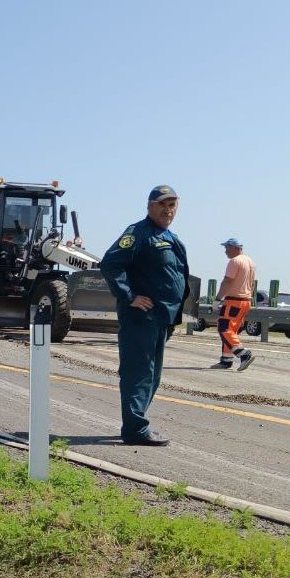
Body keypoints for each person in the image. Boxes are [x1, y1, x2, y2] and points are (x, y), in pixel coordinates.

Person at [100, 185, 191, 447]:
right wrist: (129, 296)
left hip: (162, 317)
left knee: (152, 375)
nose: (168, 209)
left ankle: (133, 422)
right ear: (150, 206)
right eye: (163, 204)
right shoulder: (138, 233)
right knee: (138, 372)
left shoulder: (168, 236)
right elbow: (110, 264)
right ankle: (135, 429)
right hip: (141, 318)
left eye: (172, 204)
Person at [212, 238, 257, 371]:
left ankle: (244, 354)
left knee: (224, 328)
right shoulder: (250, 262)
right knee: (232, 331)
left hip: (234, 301)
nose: (225, 251)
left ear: (234, 248)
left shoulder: (234, 261)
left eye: (227, 248)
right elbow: (252, 284)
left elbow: (227, 281)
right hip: (245, 301)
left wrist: (218, 298)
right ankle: (226, 360)